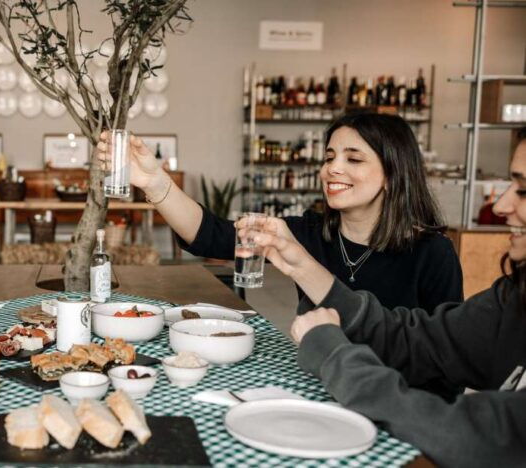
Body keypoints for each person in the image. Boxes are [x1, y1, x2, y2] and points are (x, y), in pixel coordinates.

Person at [236, 127, 526, 467]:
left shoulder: (433, 251)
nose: (502, 204)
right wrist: (300, 266)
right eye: (329, 157)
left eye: (523, 189)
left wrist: (335, 354)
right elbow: (413, 338)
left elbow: (468, 434)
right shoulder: (513, 299)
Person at [96, 113, 462, 313]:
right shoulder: (312, 232)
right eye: (329, 156)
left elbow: (445, 363)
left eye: (353, 159)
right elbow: (212, 235)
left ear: (393, 173)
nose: (332, 169)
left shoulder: (432, 254)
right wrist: (154, 182)